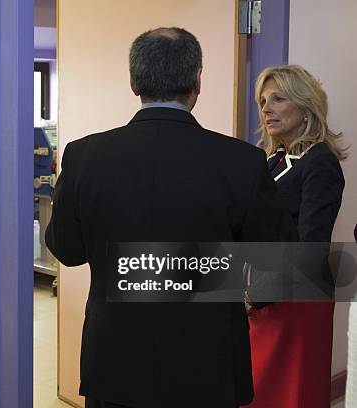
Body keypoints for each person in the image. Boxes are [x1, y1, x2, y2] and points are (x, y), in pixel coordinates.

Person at [46, 27, 296, 408]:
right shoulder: (242, 162)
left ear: (134, 82)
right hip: (207, 364)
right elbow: (274, 268)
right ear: (197, 81)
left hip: (115, 361)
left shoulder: (84, 157)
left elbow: (68, 249)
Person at [246, 65, 345, 408]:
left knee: (290, 395)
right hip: (264, 296)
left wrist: (256, 295)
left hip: (296, 301)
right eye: (262, 101)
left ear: (304, 106)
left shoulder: (320, 163)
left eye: (278, 98)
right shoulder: (274, 160)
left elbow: (310, 247)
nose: (266, 108)